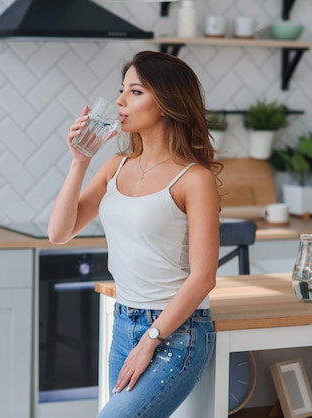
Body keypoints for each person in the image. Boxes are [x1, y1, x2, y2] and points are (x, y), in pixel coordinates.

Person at [48, 50, 222, 418]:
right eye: (122, 90)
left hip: (177, 334)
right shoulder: (115, 167)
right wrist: (80, 160)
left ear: (167, 101)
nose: (119, 101)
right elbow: (59, 233)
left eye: (135, 91)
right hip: (124, 323)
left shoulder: (194, 179)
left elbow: (204, 277)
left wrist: (150, 341)